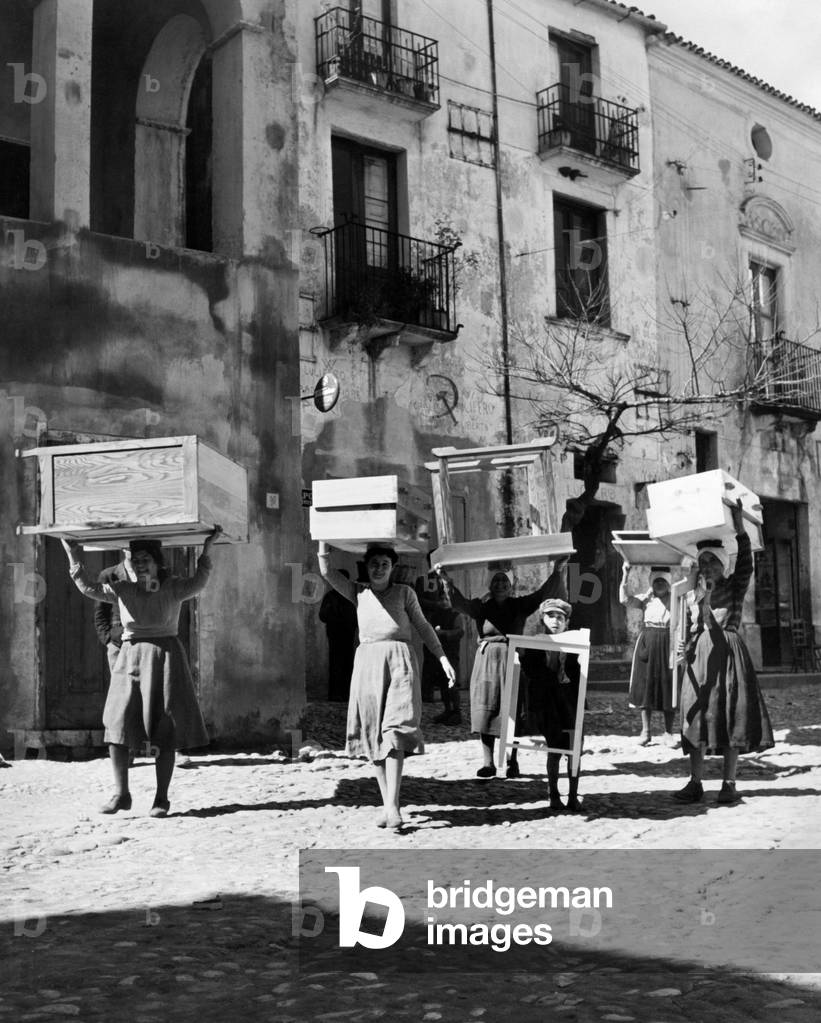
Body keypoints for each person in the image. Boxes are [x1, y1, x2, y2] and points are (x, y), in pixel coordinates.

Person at [61, 526, 222, 817]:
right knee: (117, 724)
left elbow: (200, 581)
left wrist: (207, 548)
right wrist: (74, 556)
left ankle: (161, 798)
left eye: (145, 558)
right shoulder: (123, 589)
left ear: (158, 561)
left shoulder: (174, 586)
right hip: (129, 657)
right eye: (135, 560)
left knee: (164, 728)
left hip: (164, 658)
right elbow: (88, 588)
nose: (139, 563)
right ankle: (121, 794)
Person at [318, 541, 457, 830]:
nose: (379, 568)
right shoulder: (358, 592)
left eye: (385, 563)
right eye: (374, 563)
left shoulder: (405, 593)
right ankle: (388, 805)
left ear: (393, 568)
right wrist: (323, 538)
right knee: (373, 738)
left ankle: (393, 807)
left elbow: (422, 626)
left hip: (400, 663)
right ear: (366, 567)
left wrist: (442, 658)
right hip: (368, 664)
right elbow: (327, 571)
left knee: (395, 731)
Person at [674, 500, 775, 804]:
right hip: (701, 657)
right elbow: (690, 628)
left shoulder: (733, 586)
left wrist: (740, 527)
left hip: (729, 655)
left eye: (713, 562)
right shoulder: (693, 595)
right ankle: (695, 782)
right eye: (703, 562)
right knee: (696, 716)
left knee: (732, 715)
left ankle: (729, 783)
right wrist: (684, 647)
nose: (707, 567)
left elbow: (747, 563)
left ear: (723, 564)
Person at [435, 560, 567, 779]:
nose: (499, 584)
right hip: (487, 661)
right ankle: (488, 763)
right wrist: (446, 579)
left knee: (512, 710)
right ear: (490, 585)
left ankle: (511, 761)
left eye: (504, 581)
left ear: (511, 585)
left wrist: (557, 570)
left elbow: (542, 594)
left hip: (512, 660)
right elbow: (459, 604)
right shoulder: (481, 607)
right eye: (496, 581)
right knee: (485, 709)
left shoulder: (520, 606)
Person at [520, 597, 584, 813]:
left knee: (575, 749)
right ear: (543, 619)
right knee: (555, 749)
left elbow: (581, 673)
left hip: (570, 702)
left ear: (566, 622)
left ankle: (573, 796)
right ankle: (554, 793)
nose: (556, 621)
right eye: (551, 616)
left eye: (560, 617)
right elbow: (529, 670)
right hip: (548, 702)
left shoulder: (576, 644)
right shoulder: (536, 643)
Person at [619, 564, 677, 747]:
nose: (660, 584)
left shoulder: (676, 598)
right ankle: (646, 731)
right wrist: (625, 574)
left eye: (663, 581)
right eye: (656, 581)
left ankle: (668, 732)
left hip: (669, 642)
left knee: (668, 686)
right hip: (648, 641)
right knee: (646, 685)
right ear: (652, 583)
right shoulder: (646, 599)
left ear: (668, 584)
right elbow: (624, 600)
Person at [417, 573, 464, 724]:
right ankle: (447, 710)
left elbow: (459, 632)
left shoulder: (456, 615)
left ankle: (456, 712)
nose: (444, 602)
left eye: (447, 599)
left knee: (451, 684)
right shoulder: (436, 614)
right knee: (443, 684)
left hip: (450, 653)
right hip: (439, 654)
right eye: (441, 599)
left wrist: (443, 633)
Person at [318, 569, 358, 701]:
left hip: (341, 634)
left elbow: (323, 616)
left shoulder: (334, 596)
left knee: (340, 664)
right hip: (339, 635)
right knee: (342, 664)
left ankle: (339, 694)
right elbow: (323, 616)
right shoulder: (347, 597)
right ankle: (340, 694)